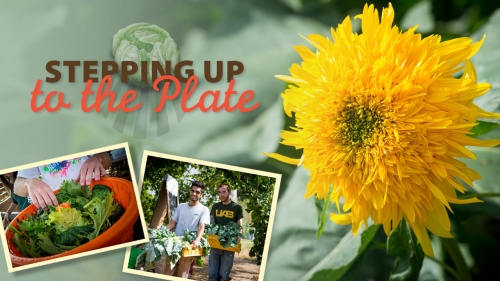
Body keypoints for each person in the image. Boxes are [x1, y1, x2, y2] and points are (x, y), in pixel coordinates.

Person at [13, 152, 111, 209]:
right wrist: (28, 182)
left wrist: (97, 158)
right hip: (60, 206)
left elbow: (106, 158)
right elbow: (17, 187)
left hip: (94, 195)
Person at [159, 180, 210, 278]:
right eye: (192, 191)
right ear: (190, 191)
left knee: (182, 275)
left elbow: (201, 226)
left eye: (197, 192)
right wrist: (160, 230)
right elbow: (172, 224)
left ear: (201, 194)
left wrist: (197, 240)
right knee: (166, 273)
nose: (194, 193)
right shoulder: (181, 206)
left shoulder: (204, 210)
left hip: (188, 246)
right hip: (175, 244)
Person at [209, 183, 243, 281]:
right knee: (212, 274)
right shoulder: (215, 206)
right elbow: (211, 222)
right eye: (219, 192)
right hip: (215, 242)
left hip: (229, 244)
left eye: (224, 192)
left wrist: (239, 234)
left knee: (224, 275)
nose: (221, 195)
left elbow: (239, 223)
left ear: (229, 192)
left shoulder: (236, 207)